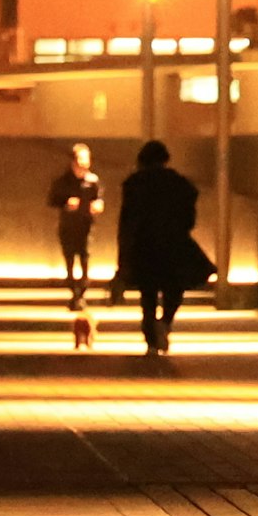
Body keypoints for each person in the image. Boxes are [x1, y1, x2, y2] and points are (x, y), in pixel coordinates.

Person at [112, 139, 210, 360]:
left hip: (143, 245)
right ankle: (165, 322)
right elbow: (189, 217)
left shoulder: (134, 183)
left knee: (148, 294)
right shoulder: (179, 183)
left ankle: (150, 341)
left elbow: (127, 221)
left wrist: (123, 258)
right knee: (174, 288)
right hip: (173, 244)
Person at [50, 143, 105, 308]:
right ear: (73, 161)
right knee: (69, 259)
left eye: (86, 159)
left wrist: (98, 205)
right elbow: (52, 200)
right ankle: (73, 290)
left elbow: (99, 198)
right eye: (81, 159)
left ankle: (82, 291)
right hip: (68, 226)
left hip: (85, 226)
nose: (84, 163)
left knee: (85, 257)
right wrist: (66, 203)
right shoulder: (62, 181)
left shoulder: (93, 181)